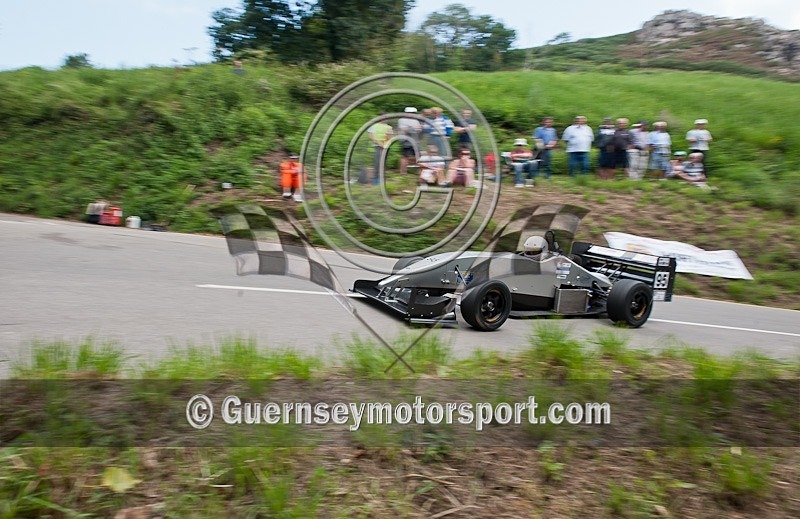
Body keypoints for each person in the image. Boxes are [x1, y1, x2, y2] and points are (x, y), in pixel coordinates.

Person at [367, 115, 393, 183]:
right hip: (377, 146)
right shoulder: (374, 126)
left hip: (385, 146)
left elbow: (389, 137)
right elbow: (370, 136)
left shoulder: (389, 127)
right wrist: (378, 142)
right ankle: (376, 179)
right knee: (377, 163)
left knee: (383, 163)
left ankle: (382, 178)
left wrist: (384, 144)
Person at [398, 107, 422, 175]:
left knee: (418, 156)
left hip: (415, 141)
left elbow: (419, 129)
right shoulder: (402, 120)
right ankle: (403, 172)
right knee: (405, 156)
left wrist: (412, 128)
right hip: (406, 141)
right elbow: (404, 130)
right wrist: (413, 129)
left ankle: (419, 172)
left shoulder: (415, 120)